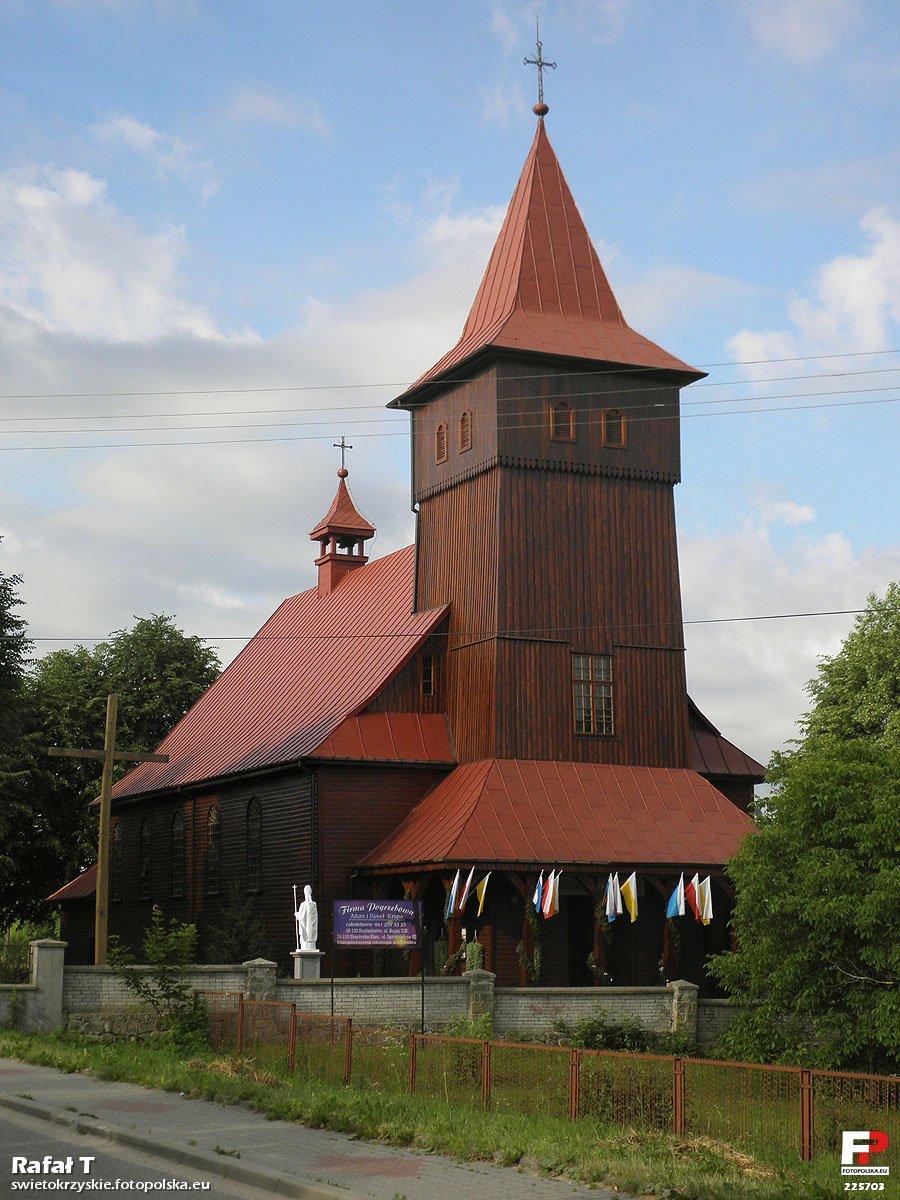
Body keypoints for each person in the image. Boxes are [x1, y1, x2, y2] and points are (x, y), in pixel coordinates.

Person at [295, 884, 318, 951]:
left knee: (311, 935)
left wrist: (310, 903)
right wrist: (297, 915)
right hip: (305, 926)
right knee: (305, 936)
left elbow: (315, 915)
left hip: (311, 925)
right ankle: (304, 947)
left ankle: (311, 947)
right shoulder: (303, 904)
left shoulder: (313, 904)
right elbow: (301, 916)